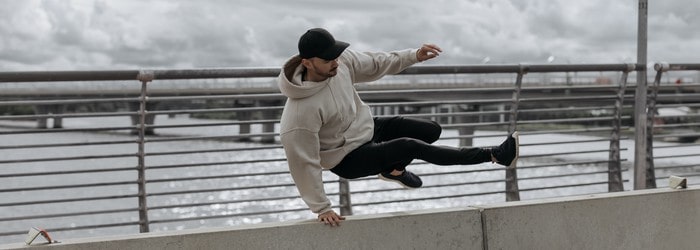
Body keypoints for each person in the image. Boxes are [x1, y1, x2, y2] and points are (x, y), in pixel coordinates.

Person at [277, 28, 519, 227]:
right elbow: (302, 161)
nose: (335, 63)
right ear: (307, 62)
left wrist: (414, 55)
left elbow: (375, 63)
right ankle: (495, 155)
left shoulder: (341, 63)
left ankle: (393, 170)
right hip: (347, 158)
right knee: (410, 146)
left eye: (336, 56)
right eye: (328, 59)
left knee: (430, 130)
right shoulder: (300, 113)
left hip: (367, 129)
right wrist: (322, 207)